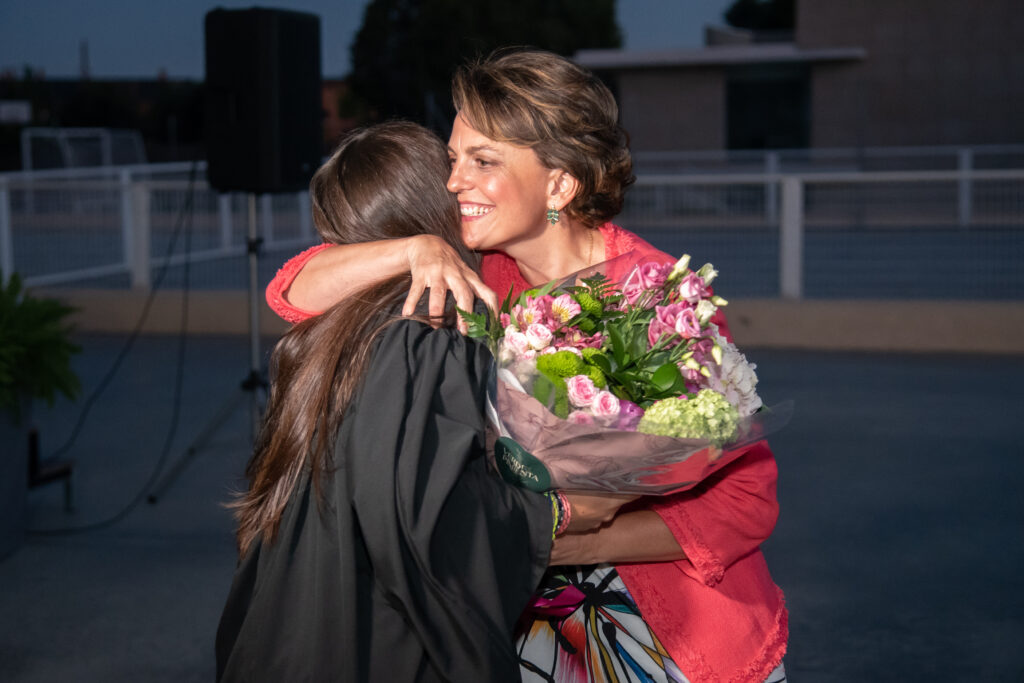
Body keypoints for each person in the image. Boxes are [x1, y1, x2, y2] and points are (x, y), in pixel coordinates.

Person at [265, 49, 788, 683]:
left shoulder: (658, 301)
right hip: (523, 626)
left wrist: (570, 540)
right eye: (453, 160)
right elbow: (292, 292)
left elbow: (745, 503)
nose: (454, 181)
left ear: (559, 184)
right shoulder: (478, 269)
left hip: (666, 633)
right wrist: (416, 247)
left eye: (482, 162)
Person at [215, 122, 631, 683]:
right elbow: (421, 518)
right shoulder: (424, 329)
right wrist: (554, 511)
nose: (465, 186)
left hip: (289, 630)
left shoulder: (325, 332)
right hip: (378, 644)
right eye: (455, 176)